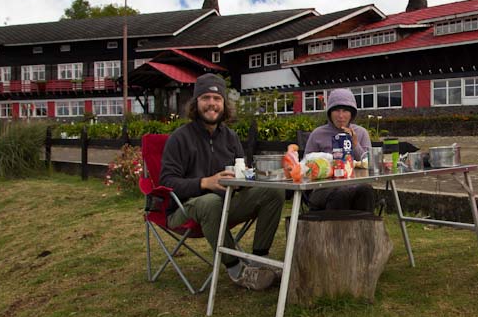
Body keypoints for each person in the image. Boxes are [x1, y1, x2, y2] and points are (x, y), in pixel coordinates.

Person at [160, 73, 284, 291]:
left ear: (224, 105)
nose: (212, 104)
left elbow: (241, 173)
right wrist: (204, 183)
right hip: (184, 209)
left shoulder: (230, 137)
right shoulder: (179, 138)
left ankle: (258, 260)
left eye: (217, 99)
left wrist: (244, 180)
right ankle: (237, 271)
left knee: (273, 191)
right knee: (209, 201)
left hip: (226, 205)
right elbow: (167, 182)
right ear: (196, 102)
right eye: (206, 98)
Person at [304, 88, 375, 212]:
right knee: (341, 193)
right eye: (336, 110)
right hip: (322, 189)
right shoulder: (318, 134)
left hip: (354, 185)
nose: (341, 116)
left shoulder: (361, 133)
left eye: (346, 110)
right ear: (330, 113)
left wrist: (355, 144)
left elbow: (369, 164)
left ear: (352, 113)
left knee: (366, 190)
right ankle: (335, 231)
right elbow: (305, 167)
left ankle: (365, 230)